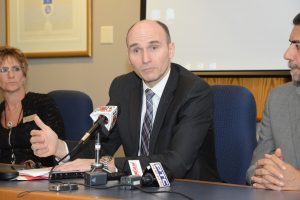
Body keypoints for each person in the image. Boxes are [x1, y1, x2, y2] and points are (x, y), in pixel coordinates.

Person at [30, 20, 219, 181]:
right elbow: (102, 145)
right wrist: (59, 147)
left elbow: (177, 163)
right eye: (136, 50)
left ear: (170, 50)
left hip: (191, 189)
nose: (145, 58)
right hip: (139, 188)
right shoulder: (123, 88)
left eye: (154, 47)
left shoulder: (193, 91)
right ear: (128, 56)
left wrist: (111, 165)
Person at [246, 12, 300, 191]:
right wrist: (267, 175)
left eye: (298, 46)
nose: (287, 55)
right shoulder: (277, 99)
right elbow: (255, 168)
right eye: (290, 45)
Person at [0, 46, 65, 167]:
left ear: (24, 75)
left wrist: (33, 164)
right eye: (3, 70)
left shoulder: (42, 103)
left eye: (16, 69)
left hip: (37, 177)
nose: (11, 75)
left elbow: (58, 146)